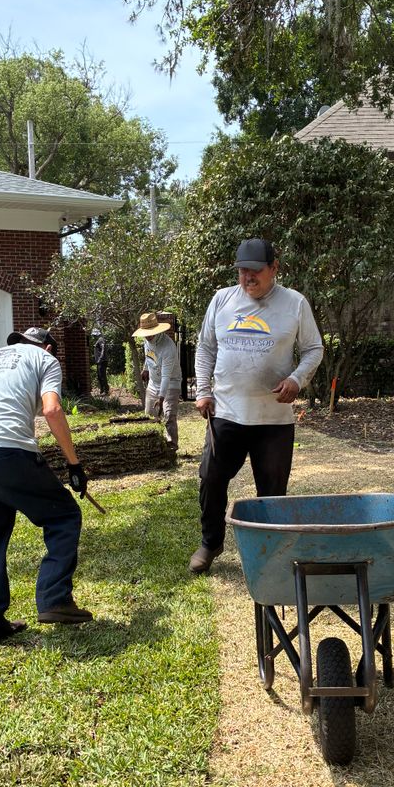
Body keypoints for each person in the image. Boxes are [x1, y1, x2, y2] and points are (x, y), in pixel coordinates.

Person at [0, 327, 93, 646]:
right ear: (49, 347)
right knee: (63, 515)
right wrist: (74, 464)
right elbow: (52, 409)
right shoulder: (45, 359)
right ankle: (55, 600)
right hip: (5, 449)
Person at [189, 238, 323, 574]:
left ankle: (271, 551)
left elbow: (313, 349)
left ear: (274, 268)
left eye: (255, 271)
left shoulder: (294, 303)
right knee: (211, 478)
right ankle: (210, 542)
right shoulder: (222, 300)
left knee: (272, 491)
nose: (247, 277)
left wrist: (296, 379)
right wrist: (203, 390)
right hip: (227, 413)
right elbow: (205, 348)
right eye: (242, 271)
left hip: (274, 420)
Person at [133, 311, 182, 451]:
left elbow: (166, 377)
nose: (147, 336)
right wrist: (145, 368)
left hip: (170, 382)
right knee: (149, 415)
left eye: (150, 333)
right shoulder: (146, 340)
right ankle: (153, 445)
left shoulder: (168, 347)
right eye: (145, 333)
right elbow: (149, 356)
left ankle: (172, 446)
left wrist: (161, 398)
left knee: (168, 415)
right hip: (153, 383)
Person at [93, 329, 110, 395]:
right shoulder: (99, 340)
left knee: (102, 376)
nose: (94, 337)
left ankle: (106, 390)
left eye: (94, 335)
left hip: (102, 361)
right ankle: (102, 390)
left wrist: (100, 358)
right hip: (100, 361)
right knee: (100, 376)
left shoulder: (101, 339)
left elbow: (103, 349)